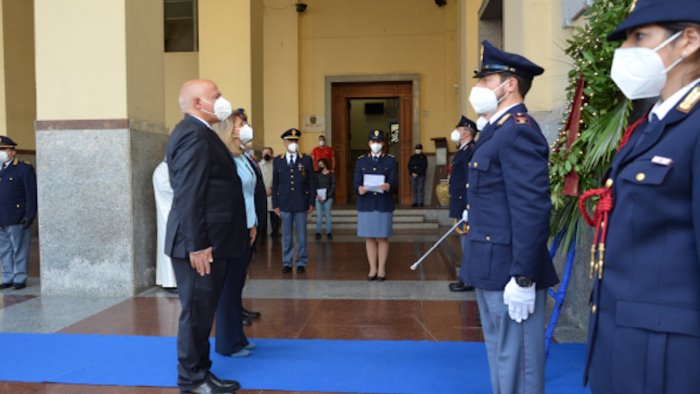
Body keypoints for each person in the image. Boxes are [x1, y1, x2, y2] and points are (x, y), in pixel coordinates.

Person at [580, 2, 700, 392]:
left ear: (689, 41)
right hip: (624, 338)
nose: (627, 50)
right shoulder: (654, 123)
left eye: (639, 37)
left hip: (668, 355)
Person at [462, 41, 559, 394]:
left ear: (510, 84)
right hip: (489, 263)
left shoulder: (518, 129)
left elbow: (532, 207)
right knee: (502, 358)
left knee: (519, 367)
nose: (479, 88)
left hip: (509, 269)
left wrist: (523, 276)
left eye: (486, 80)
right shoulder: (495, 130)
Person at [165, 79, 246, 394]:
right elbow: (189, 194)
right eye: (217, 96)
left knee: (202, 312)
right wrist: (197, 245)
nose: (222, 101)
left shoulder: (201, 133)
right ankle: (191, 379)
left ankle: (201, 371)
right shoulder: (193, 136)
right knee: (196, 314)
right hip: (199, 245)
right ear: (199, 103)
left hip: (210, 241)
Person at [212, 109, 258, 358]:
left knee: (237, 287)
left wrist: (253, 224)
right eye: (241, 124)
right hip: (231, 231)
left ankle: (238, 337)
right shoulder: (223, 158)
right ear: (228, 128)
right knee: (227, 288)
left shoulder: (241, 156)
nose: (246, 127)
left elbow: (249, 194)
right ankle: (226, 343)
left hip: (246, 227)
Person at [354, 129, 398, 281]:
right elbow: (356, 182)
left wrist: (389, 186)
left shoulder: (390, 160)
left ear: (383, 144)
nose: (376, 144)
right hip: (366, 203)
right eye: (373, 142)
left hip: (383, 203)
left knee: (383, 237)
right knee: (369, 238)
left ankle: (382, 269)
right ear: (368, 143)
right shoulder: (361, 161)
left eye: (378, 142)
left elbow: (395, 182)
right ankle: (372, 268)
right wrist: (359, 188)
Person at [272, 128, 315, 274]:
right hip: (284, 203)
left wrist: (312, 201)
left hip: (301, 202)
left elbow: (311, 183)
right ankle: (287, 261)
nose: (293, 143)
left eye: (295, 141)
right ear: (284, 142)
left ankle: (301, 261)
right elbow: (275, 184)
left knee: (301, 234)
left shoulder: (306, 160)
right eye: (290, 140)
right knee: (286, 235)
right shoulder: (278, 161)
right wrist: (275, 204)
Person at [0, 136, 36, 291]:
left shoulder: (23, 168)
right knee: (4, 250)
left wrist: (30, 214)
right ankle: (8, 277)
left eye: (3, 149)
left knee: (19, 249)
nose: (1, 153)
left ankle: (20, 277)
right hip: (1, 216)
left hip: (17, 216)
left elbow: (31, 194)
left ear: (12, 152)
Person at [447, 116, 477, 293]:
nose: (456, 132)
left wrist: (468, 206)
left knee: (468, 243)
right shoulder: (463, 150)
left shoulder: (471, 151)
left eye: (458, 129)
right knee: (465, 242)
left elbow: (470, 180)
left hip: (466, 204)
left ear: (466, 131)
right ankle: (466, 277)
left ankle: (468, 279)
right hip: (460, 202)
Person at [152, 160, 177, 291]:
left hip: (173, 213)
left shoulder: (169, 168)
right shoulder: (162, 170)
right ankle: (169, 281)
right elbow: (169, 190)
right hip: (167, 214)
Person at [259, 146, 280, 240]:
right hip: (261, 194)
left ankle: (275, 234)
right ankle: (262, 236)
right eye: (264, 153)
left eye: (268, 153)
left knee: (275, 218)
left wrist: (272, 189)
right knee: (262, 217)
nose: (266, 155)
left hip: (273, 194)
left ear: (272, 154)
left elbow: (279, 180)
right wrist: (263, 190)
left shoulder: (276, 165)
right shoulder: (258, 166)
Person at [314, 158, 336, 240]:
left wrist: (327, 196)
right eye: (318, 164)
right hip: (318, 197)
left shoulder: (331, 174)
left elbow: (333, 186)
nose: (319, 165)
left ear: (325, 164)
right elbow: (314, 185)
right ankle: (318, 232)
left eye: (321, 164)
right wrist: (316, 195)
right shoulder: (317, 174)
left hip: (328, 197)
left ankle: (329, 232)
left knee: (327, 215)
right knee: (319, 215)